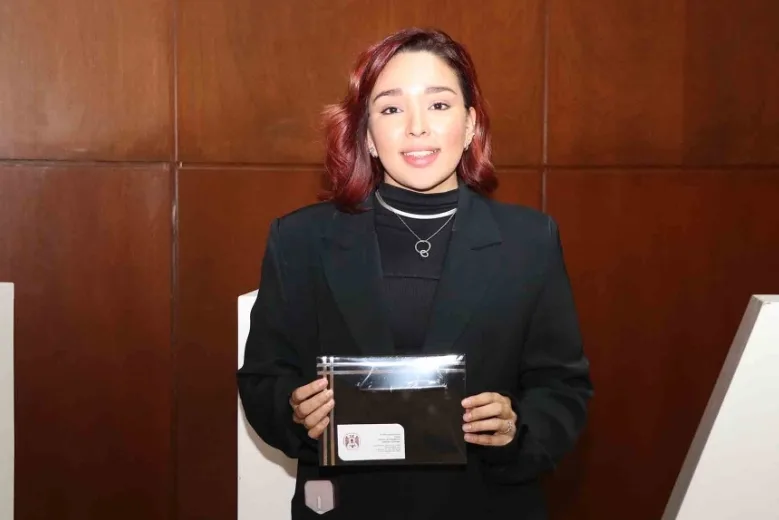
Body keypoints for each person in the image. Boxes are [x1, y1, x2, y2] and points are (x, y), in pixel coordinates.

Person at [237, 27, 593, 520]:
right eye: (391, 109)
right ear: (367, 135)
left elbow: (563, 388)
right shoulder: (300, 240)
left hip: (485, 504)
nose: (417, 127)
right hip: (346, 507)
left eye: (439, 105)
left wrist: (517, 429)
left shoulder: (529, 242)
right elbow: (262, 378)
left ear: (470, 125)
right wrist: (295, 411)